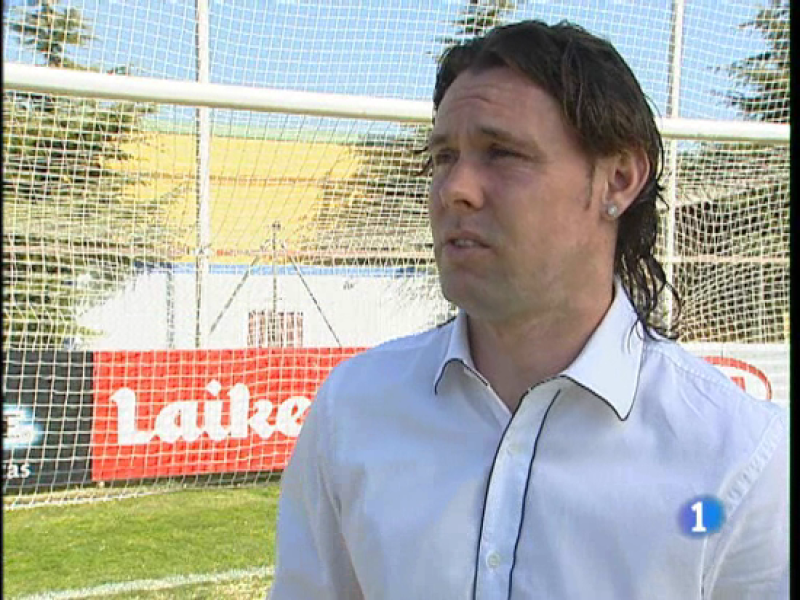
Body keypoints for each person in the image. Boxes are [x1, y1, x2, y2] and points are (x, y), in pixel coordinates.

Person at [269, 20, 788, 600]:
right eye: (444, 157)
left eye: (502, 153)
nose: (455, 188)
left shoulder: (739, 458)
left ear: (618, 180)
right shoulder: (353, 411)